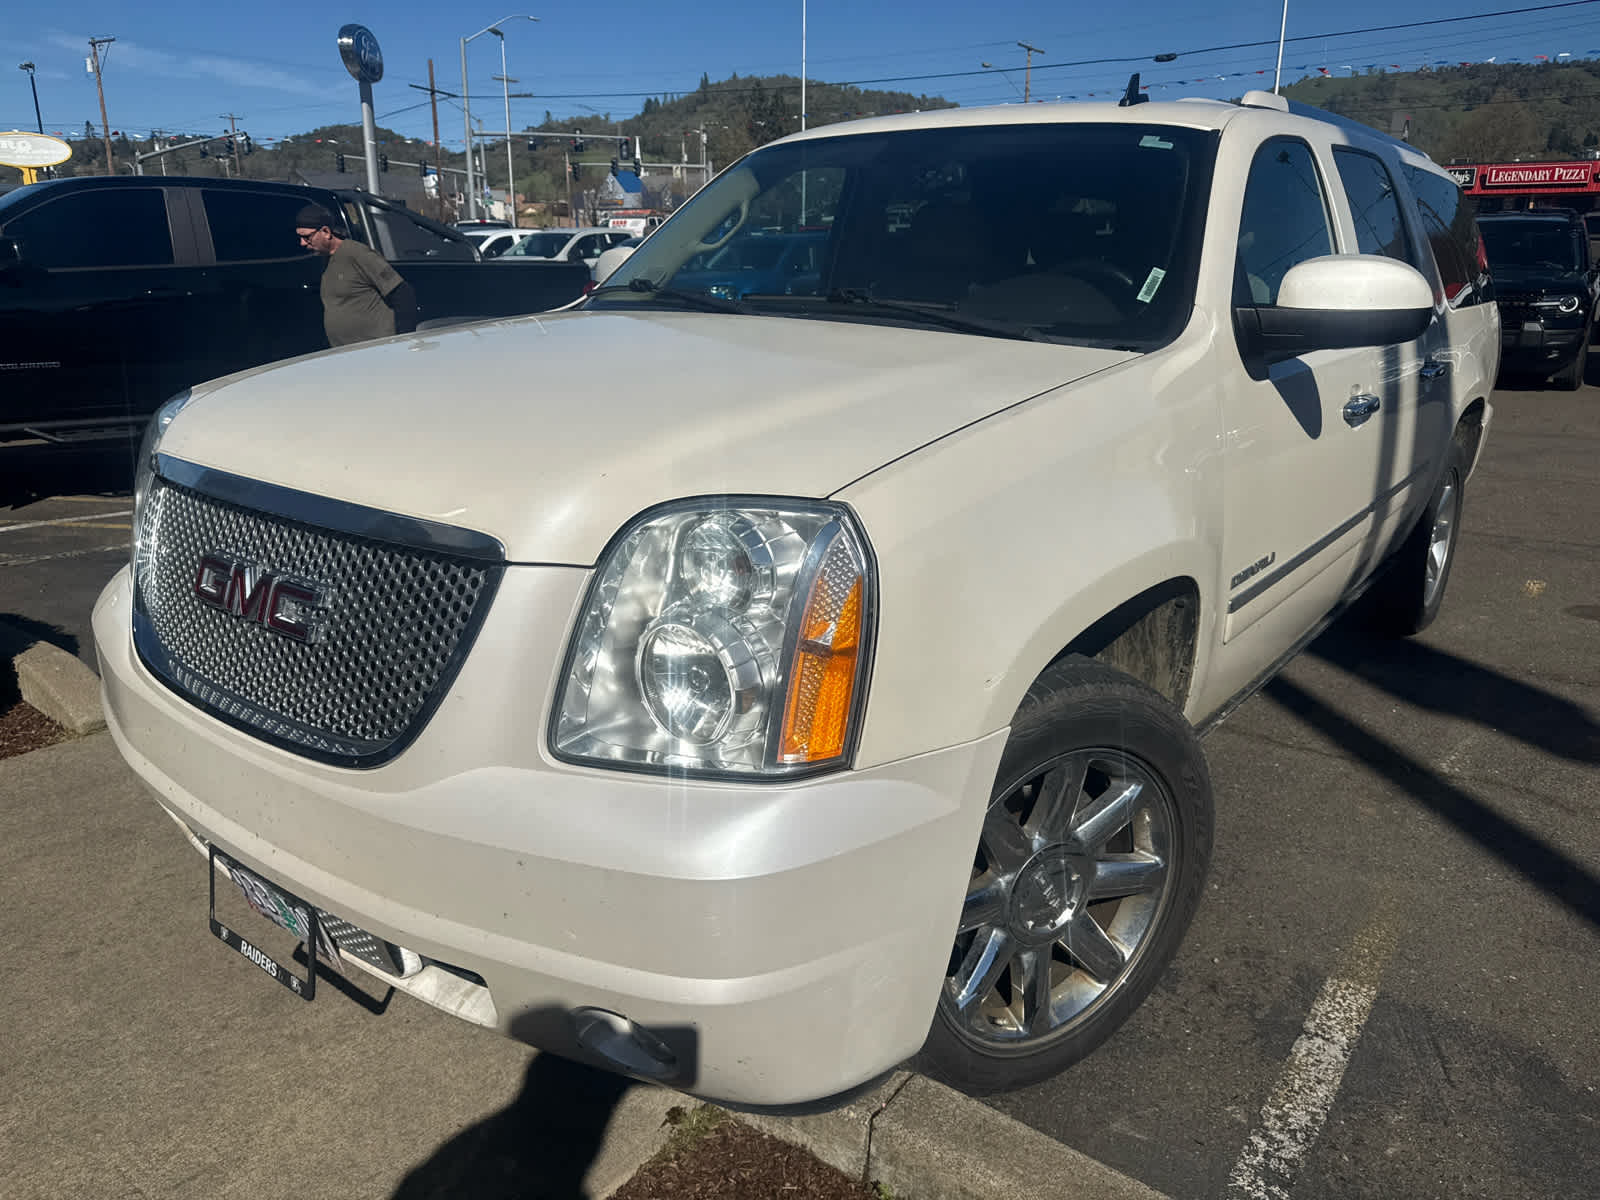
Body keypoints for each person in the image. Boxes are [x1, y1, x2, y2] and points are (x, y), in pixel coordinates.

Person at [293, 204, 419, 347]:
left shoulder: (357, 253)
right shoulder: (324, 260)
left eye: (306, 237)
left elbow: (403, 293)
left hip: (377, 349)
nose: (302, 243)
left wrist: (403, 340)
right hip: (346, 351)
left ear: (326, 232)